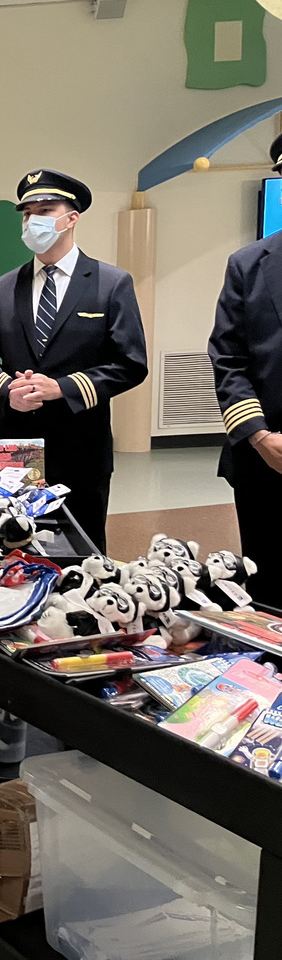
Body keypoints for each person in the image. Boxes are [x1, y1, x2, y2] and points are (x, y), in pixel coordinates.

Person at [0, 169, 148, 552]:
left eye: (45, 210)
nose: (34, 220)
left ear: (71, 218)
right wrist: (7, 391)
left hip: (82, 444)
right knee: (14, 548)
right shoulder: (3, 289)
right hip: (17, 446)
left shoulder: (110, 283)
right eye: (27, 213)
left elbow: (131, 363)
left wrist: (62, 388)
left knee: (83, 551)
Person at [208, 133, 282, 607]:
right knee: (270, 586)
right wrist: (259, 436)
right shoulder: (249, 264)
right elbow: (227, 356)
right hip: (266, 462)